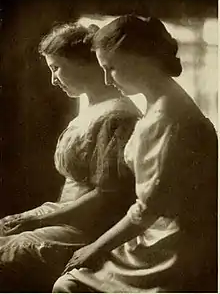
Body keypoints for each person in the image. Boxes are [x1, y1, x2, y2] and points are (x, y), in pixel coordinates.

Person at [53, 15, 218, 293]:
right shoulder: (162, 104)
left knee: (67, 284)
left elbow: (147, 210)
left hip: (173, 245)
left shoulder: (167, 118)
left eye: (112, 68)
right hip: (162, 232)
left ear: (139, 60)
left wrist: (94, 248)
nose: (106, 78)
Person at [0, 22, 141, 292]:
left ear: (84, 63)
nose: (53, 79)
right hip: (62, 214)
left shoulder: (118, 115)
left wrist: (38, 221)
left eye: (56, 67)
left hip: (87, 228)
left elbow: (107, 197)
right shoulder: (94, 106)